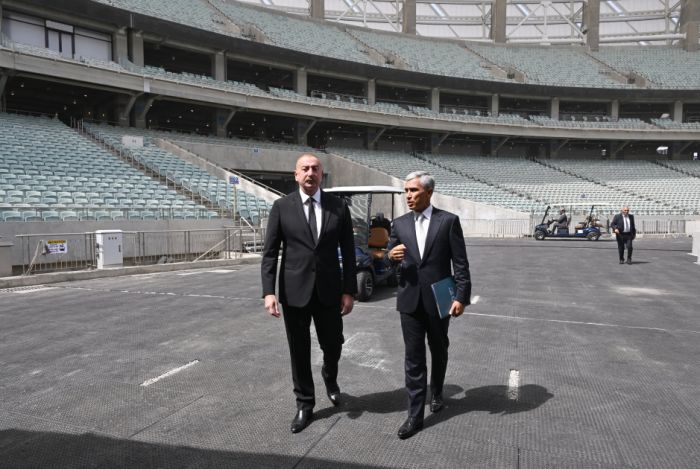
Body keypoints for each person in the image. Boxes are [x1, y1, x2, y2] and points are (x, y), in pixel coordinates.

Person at [261, 154, 357, 433]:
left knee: (334, 344)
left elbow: (349, 253)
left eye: (315, 169)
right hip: (294, 292)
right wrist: (269, 292)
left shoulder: (338, 207)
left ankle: (330, 375)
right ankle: (305, 404)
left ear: (321, 174)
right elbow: (269, 254)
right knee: (299, 351)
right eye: (305, 169)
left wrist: (349, 290)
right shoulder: (281, 207)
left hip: (329, 292)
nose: (310, 173)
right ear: (296, 174)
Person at [387, 171, 471, 440]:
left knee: (439, 348)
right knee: (413, 358)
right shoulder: (398, 224)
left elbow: (460, 263)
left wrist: (461, 296)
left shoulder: (448, 222)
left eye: (413, 191)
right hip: (409, 300)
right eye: (406, 191)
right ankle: (414, 415)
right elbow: (392, 260)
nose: (408, 196)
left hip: (439, 300)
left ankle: (437, 391)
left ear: (429, 192)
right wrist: (391, 256)